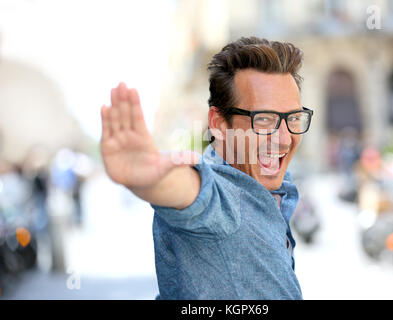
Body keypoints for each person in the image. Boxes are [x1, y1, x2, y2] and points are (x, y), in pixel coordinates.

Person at [100, 37, 313, 299]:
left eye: (292, 118)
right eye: (264, 119)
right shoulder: (224, 198)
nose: (283, 138)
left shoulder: (271, 184)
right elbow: (193, 191)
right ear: (219, 123)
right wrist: (151, 178)